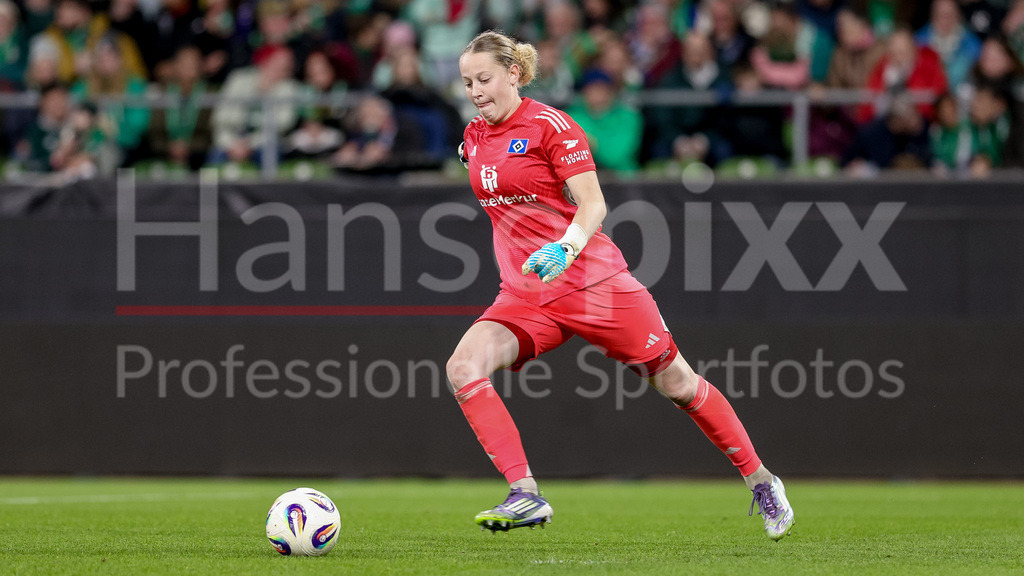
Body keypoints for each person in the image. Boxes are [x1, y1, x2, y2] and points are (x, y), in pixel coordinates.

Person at [449, 30, 795, 540]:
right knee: (463, 368)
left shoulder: (552, 126)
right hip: (528, 295)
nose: (476, 91)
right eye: (467, 83)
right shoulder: (475, 136)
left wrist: (565, 247)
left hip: (593, 284)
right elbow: (485, 167)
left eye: (484, 79)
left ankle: (762, 481)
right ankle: (525, 494)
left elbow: (593, 203)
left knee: (679, 385)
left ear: (514, 74)